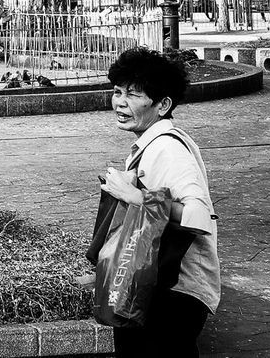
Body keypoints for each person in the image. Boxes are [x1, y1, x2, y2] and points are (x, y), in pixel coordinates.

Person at [97, 47, 219, 357]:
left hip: (176, 294)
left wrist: (135, 196)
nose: (120, 102)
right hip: (153, 286)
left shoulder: (168, 149)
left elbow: (199, 216)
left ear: (163, 104)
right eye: (117, 92)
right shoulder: (150, 144)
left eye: (134, 95)